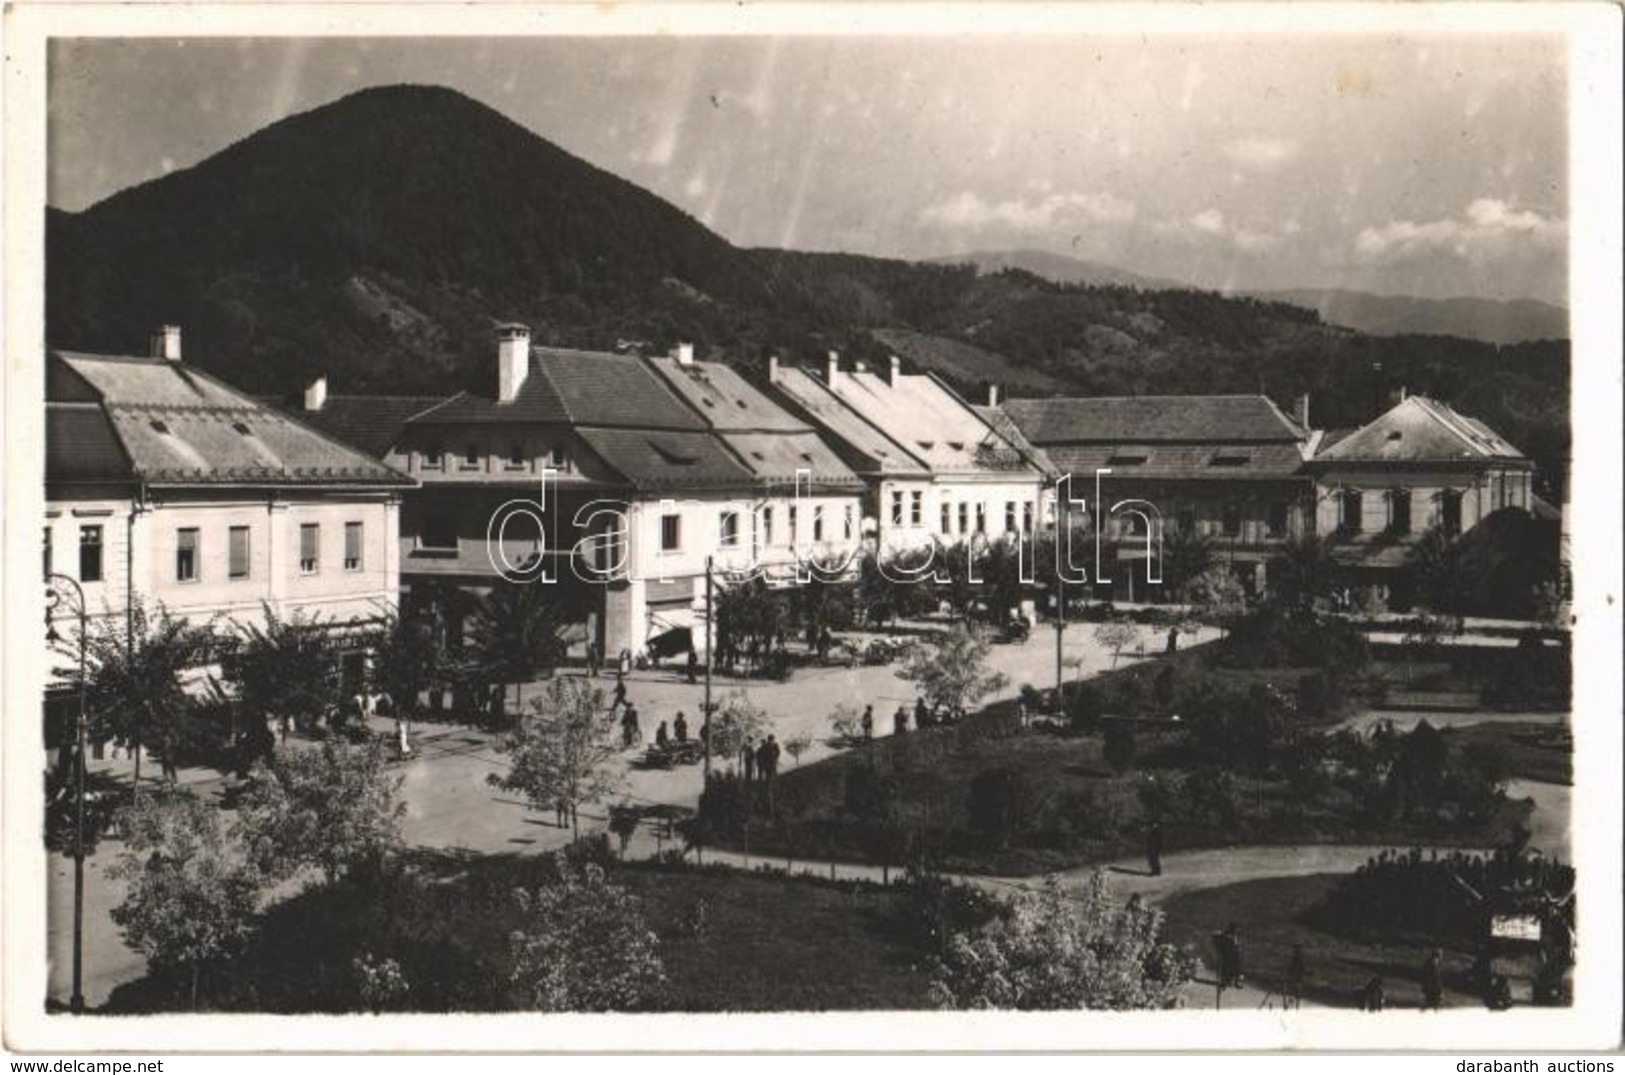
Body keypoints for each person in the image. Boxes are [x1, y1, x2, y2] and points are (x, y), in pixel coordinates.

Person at [1214, 923, 1243, 990]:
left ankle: (1233, 982)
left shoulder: (1234, 938)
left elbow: (1235, 947)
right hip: (1227, 956)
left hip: (1232, 957)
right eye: (1235, 931)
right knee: (1228, 968)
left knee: (1235, 968)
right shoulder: (1226, 937)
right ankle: (1227, 982)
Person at [1285, 944, 1306, 1010]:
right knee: (1297, 960)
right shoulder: (1293, 993)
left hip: (1296, 975)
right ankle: (1297, 949)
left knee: (1296, 960)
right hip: (1297, 976)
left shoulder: (1291, 992)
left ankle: (1297, 949)